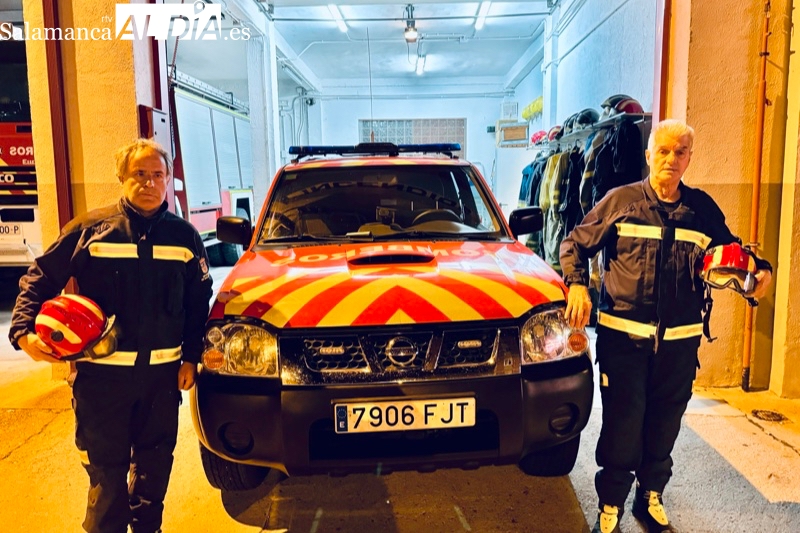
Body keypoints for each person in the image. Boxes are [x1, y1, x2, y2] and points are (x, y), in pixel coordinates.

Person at [559, 119, 772, 533]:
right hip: (625, 342)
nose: (671, 160)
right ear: (649, 156)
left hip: (679, 342)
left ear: (689, 158)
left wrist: (759, 273)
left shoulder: (702, 210)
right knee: (622, 425)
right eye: (663, 151)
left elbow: (734, 253)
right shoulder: (620, 201)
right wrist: (576, 287)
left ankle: (651, 495)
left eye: (680, 153)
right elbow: (574, 244)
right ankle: (611, 504)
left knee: (665, 424)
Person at [9, 138, 213, 533]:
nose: (150, 183)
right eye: (140, 174)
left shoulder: (185, 238)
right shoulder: (90, 230)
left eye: (158, 175)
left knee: (155, 468)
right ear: (122, 177)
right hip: (101, 382)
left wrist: (191, 357)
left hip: (161, 379)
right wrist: (23, 333)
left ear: (169, 179)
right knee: (107, 475)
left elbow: (197, 303)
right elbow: (39, 277)